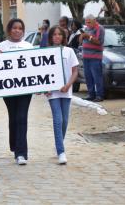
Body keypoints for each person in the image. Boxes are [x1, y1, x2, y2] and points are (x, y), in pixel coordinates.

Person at [0, 18, 33, 165]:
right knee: (13, 117)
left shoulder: (29, 46)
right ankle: (14, 144)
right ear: (9, 30)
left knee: (22, 117)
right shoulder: (2, 46)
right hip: (8, 89)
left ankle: (21, 153)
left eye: (20, 28)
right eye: (14, 28)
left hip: (25, 89)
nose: (17, 30)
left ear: (23, 31)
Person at [46, 26, 79, 164]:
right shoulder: (46, 52)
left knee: (65, 120)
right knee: (58, 120)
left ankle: (59, 143)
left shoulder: (69, 51)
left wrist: (68, 85)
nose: (57, 36)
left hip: (66, 90)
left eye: (60, 34)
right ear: (51, 37)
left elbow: (75, 71)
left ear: (63, 37)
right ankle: (61, 151)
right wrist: (45, 88)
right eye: (54, 34)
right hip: (53, 92)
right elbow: (41, 72)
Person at [79, 14, 105, 102]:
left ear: (94, 20)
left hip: (95, 57)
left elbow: (99, 42)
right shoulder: (86, 29)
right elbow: (81, 41)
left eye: (89, 22)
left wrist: (88, 37)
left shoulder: (99, 28)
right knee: (88, 77)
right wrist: (81, 37)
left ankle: (99, 95)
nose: (87, 24)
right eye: (86, 22)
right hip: (86, 57)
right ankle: (91, 94)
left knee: (97, 77)